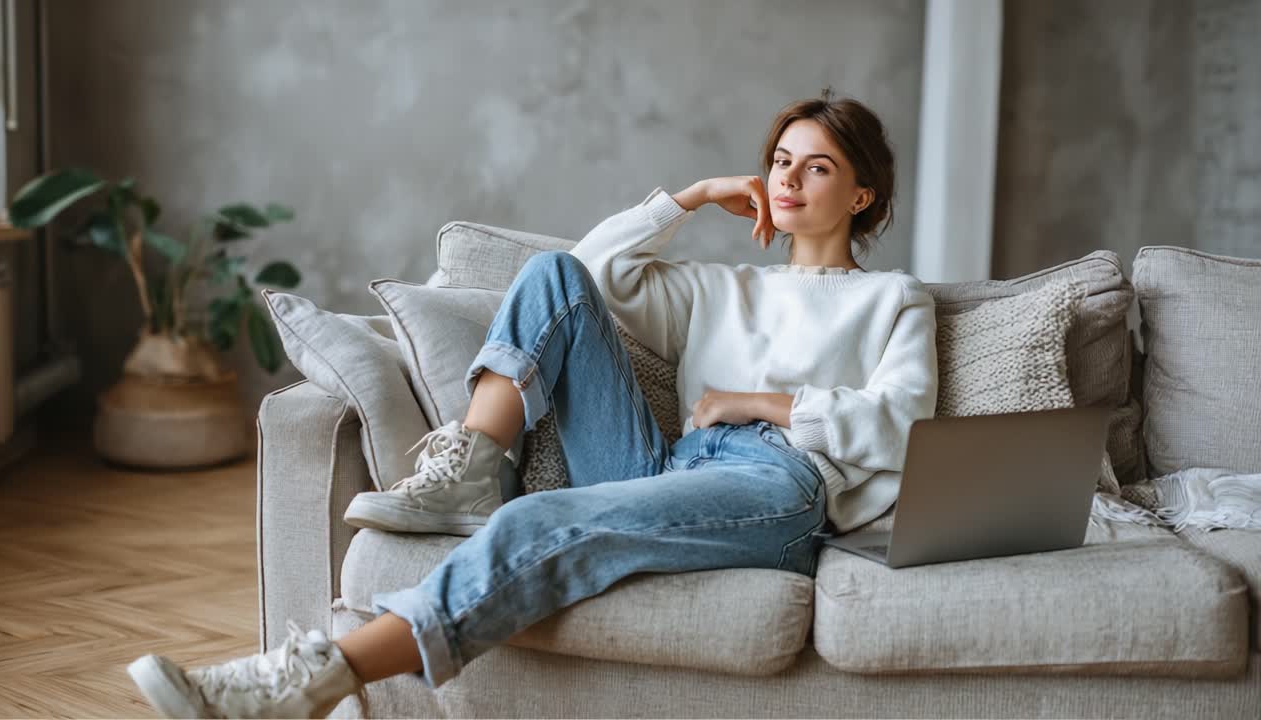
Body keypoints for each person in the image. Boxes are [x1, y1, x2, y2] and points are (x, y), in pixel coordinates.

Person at [127, 88, 938, 719]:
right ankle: (475, 464)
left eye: (818, 166)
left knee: (538, 522)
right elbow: (579, 271)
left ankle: (310, 678)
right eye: (780, 161)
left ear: (863, 195)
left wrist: (753, 402)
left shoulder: (894, 301)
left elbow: (905, 422)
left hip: (775, 484)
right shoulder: (719, 289)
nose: (787, 179)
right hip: (662, 465)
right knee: (551, 280)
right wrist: (688, 198)